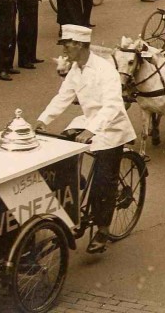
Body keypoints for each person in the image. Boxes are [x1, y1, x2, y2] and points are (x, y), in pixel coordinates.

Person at [34, 25, 137, 255]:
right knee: (58, 152)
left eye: (67, 45)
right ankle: (77, 184)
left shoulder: (105, 70)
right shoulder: (76, 69)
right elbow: (63, 97)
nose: (64, 50)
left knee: (103, 181)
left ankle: (102, 229)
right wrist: (42, 122)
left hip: (111, 126)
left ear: (80, 45)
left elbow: (113, 105)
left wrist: (92, 130)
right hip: (89, 121)